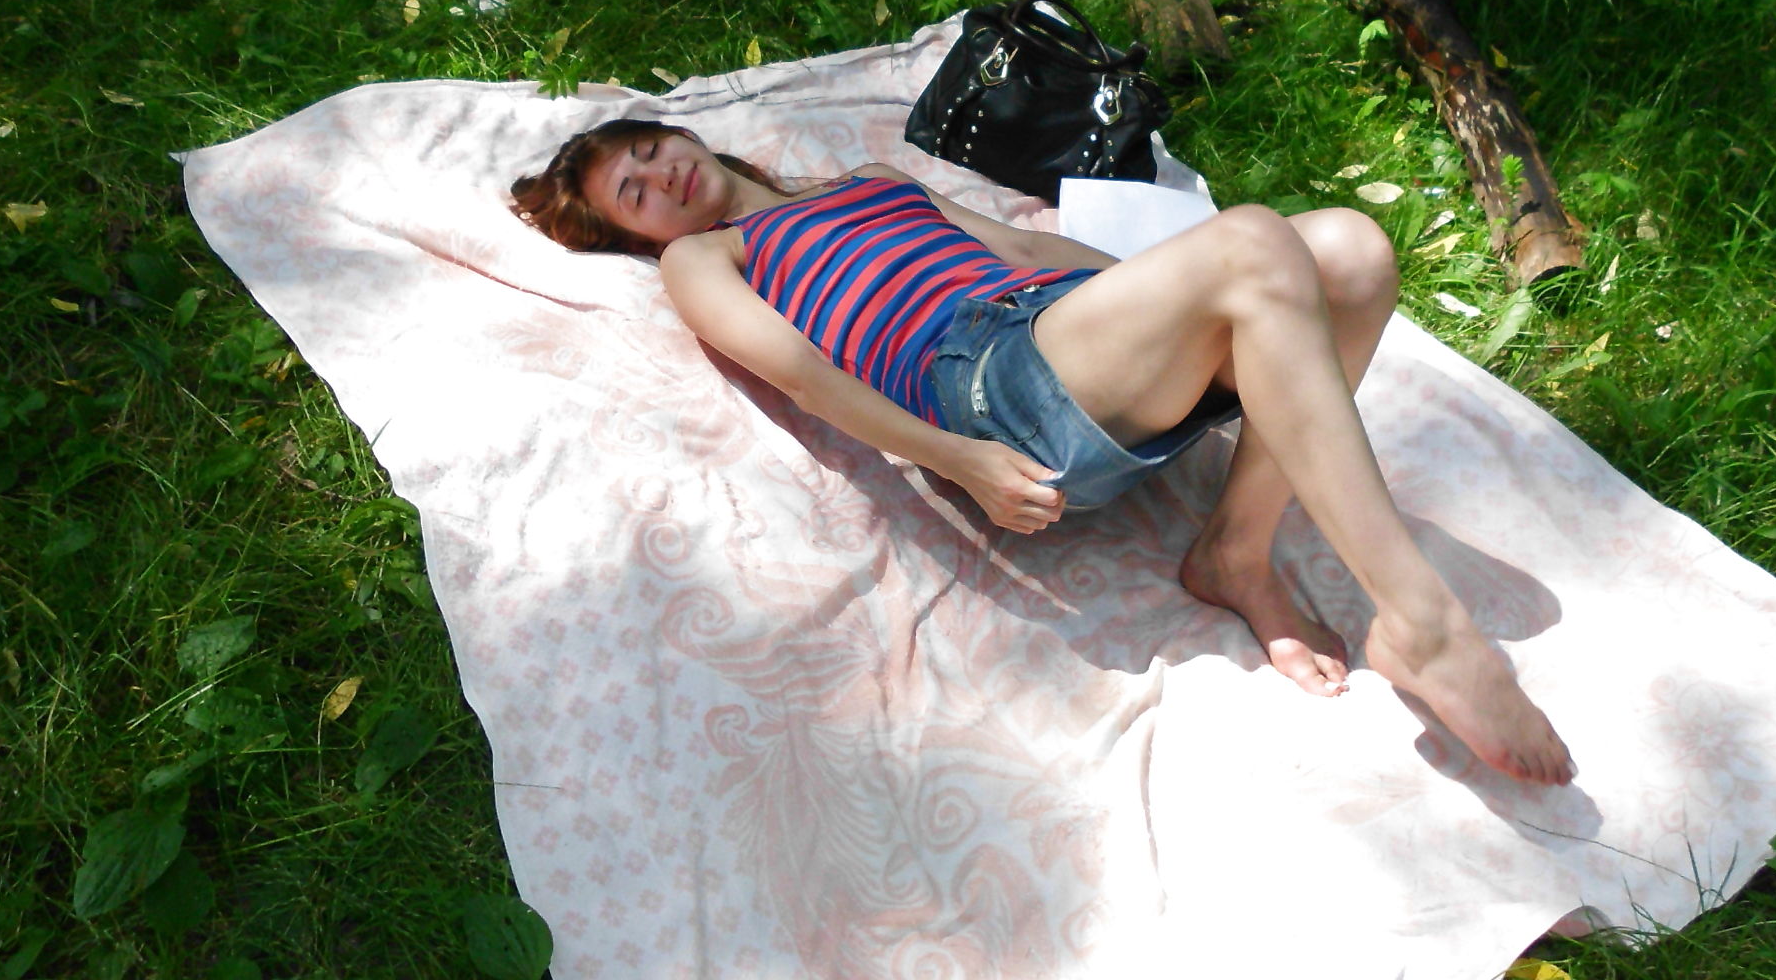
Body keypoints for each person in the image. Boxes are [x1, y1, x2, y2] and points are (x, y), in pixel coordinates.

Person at [511, 119, 1573, 786]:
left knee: (1347, 246)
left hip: (1062, 324)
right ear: (638, 239)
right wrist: (952, 458)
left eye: (647, 151)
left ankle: (1235, 553)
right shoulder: (707, 257)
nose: (658, 177)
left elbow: (1022, 247)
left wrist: (1184, 302)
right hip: (983, 383)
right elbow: (801, 375)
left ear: (684, 136)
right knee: (1259, 240)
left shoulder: (867, 178)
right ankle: (1423, 623)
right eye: (632, 195)